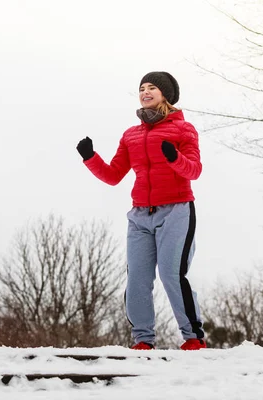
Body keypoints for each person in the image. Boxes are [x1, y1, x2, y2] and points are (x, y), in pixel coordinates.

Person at [76, 71, 206, 350]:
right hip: (139, 215)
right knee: (137, 278)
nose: (145, 92)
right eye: (142, 88)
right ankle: (143, 340)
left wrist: (175, 158)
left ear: (165, 95)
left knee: (171, 274)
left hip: (176, 210)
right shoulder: (131, 135)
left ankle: (193, 338)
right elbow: (113, 175)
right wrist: (90, 157)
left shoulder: (184, 130)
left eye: (152, 88)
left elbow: (194, 170)